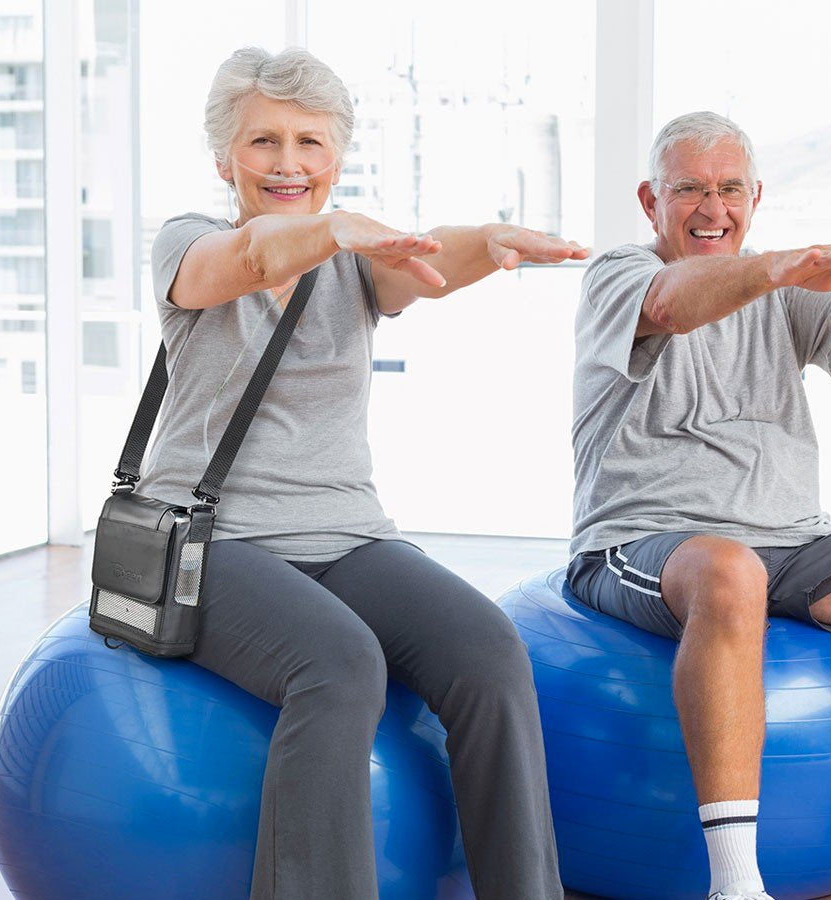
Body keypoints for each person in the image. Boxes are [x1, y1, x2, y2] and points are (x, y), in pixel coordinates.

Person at [139, 45, 588, 900]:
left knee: (490, 651)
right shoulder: (188, 244)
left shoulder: (354, 261)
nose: (288, 162)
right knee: (340, 663)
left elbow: (429, 262)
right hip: (207, 544)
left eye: (309, 142)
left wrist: (489, 241)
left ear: (336, 158)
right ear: (225, 160)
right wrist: (336, 227)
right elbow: (258, 257)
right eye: (264, 141)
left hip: (344, 535)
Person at [567, 110, 831, 900]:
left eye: (730, 190)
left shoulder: (778, 288)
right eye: (690, 189)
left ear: (756, 197)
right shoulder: (620, 276)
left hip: (792, 541)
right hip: (641, 540)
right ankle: (737, 884)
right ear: (651, 200)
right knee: (729, 572)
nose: (712, 209)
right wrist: (777, 268)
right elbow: (674, 304)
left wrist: (789, 275)